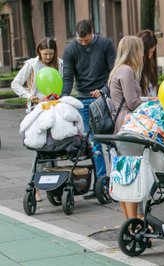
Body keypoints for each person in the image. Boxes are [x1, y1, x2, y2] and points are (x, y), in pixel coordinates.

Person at [61, 19, 116, 199]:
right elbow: (68, 77)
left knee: (110, 140)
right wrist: (64, 98)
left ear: (93, 33)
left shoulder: (105, 44)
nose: (83, 43)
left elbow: (113, 72)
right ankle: (101, 183)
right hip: (83, 98)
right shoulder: (70, 49)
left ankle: (116, 181)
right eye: (80, 40)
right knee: (93, 142)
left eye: (86, 40)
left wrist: (103, 91)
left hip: (103, 98)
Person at [11, 37, 63, 202]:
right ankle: (35, 187)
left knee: (55, 149)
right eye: (45, 53)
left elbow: (62, 83)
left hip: (55, 110)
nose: (47, 57)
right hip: (37, 111)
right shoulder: (32, 65)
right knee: (40, 149)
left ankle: (54, 186)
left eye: (50, 54)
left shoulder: (59, 64)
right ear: (39, 52)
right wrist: (30, 96)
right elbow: (16, 84)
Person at [109, 36, 144, 219]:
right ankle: (134, 221)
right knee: (133, 175)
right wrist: (149, 104)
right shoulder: (128, 71)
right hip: (129, 126)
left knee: (124, 174)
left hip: (119, 125)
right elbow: (132, 103)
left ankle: (129, 220)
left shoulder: (117, 70)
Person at [137, 29, 158, 97]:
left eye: (153, 52)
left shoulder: (148, 67)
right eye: (151, 52)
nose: (150, 56)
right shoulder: (132, 70)